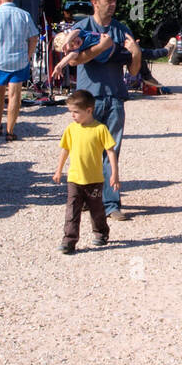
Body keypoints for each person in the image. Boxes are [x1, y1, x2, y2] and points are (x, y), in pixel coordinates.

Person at [52, 0, 141, 220]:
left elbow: (133, 71)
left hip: (114, 98)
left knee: (111, 151)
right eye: (108, 1)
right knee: (84, 152)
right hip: (88, 100)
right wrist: (101, 47)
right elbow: (74, 60)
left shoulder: (122, 30)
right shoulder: (81, 28)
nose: (113, 5)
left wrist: (137, 53)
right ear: (95, 3)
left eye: (114, 1)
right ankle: (86, 199)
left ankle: (111, 205)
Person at [53, 89, 119, 254]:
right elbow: (65, 150)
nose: (73, 115)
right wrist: (58, 170)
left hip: (94, 179)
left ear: (89, 110)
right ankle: (69, 240)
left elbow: (110, 151)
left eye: (76, 112)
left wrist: (114, 174)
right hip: (74, 178)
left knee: (96, 210)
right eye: (71, 112)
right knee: (72, 211)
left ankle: (101, 233)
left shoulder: (100, 129)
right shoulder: (71, 129)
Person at [0, 0, 40, 140]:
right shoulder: (24, 15)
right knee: (15, 95)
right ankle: (10, 131)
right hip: (19, 60)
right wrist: (28, 56)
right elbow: (34, 38)